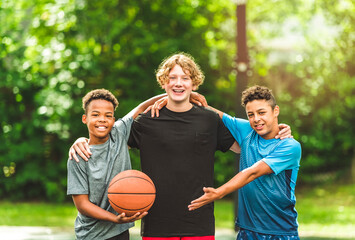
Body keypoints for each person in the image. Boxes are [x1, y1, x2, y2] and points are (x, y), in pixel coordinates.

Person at [69, 53, 291, 239]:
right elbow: (108, 142)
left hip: (199, 220)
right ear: (163, 82)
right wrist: (81, 142)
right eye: (172, 78)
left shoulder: (210, 120)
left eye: (185, 78)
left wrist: (278, 133)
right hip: (156, 222)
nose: (178, 83)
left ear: (194, 83)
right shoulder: (145, 121)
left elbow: (249, 147)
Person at [187, 85, 302, 240]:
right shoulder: (247, 130)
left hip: (280, 232)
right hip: (246, 231)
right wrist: (173, 96)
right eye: (250, 114)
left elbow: (252, 172)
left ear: (276, 111)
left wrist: (219, 192)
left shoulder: (290, 146)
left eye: (262, 112)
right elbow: (204, 107)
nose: (256, 119)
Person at [67, 88, 169, 240]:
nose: (102, 119)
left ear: (113, 120)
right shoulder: (78, 156)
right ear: (84, 118)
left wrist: (184, 95)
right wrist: (113, 218)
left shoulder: (119, 133)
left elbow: (142, 107)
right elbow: (82, 204)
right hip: (91, 234)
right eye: (95, 115)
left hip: (119, 231)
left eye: (108, 116)